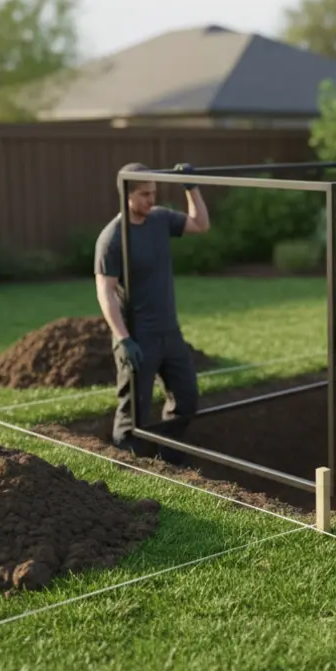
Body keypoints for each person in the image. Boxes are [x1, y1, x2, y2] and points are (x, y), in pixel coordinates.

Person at [93, 161, 211, 464]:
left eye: (154, 193)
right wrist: (123, 339)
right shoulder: (112, 238)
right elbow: (105, 293)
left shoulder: (160, 219)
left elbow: (200, 224)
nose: (151, 200)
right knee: (133, 413)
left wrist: (191, 187)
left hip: (169, 333)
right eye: (145, 194)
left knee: (186, 399)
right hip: (137, 337)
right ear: (127, 195)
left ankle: (168, 460)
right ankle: (127, 470)